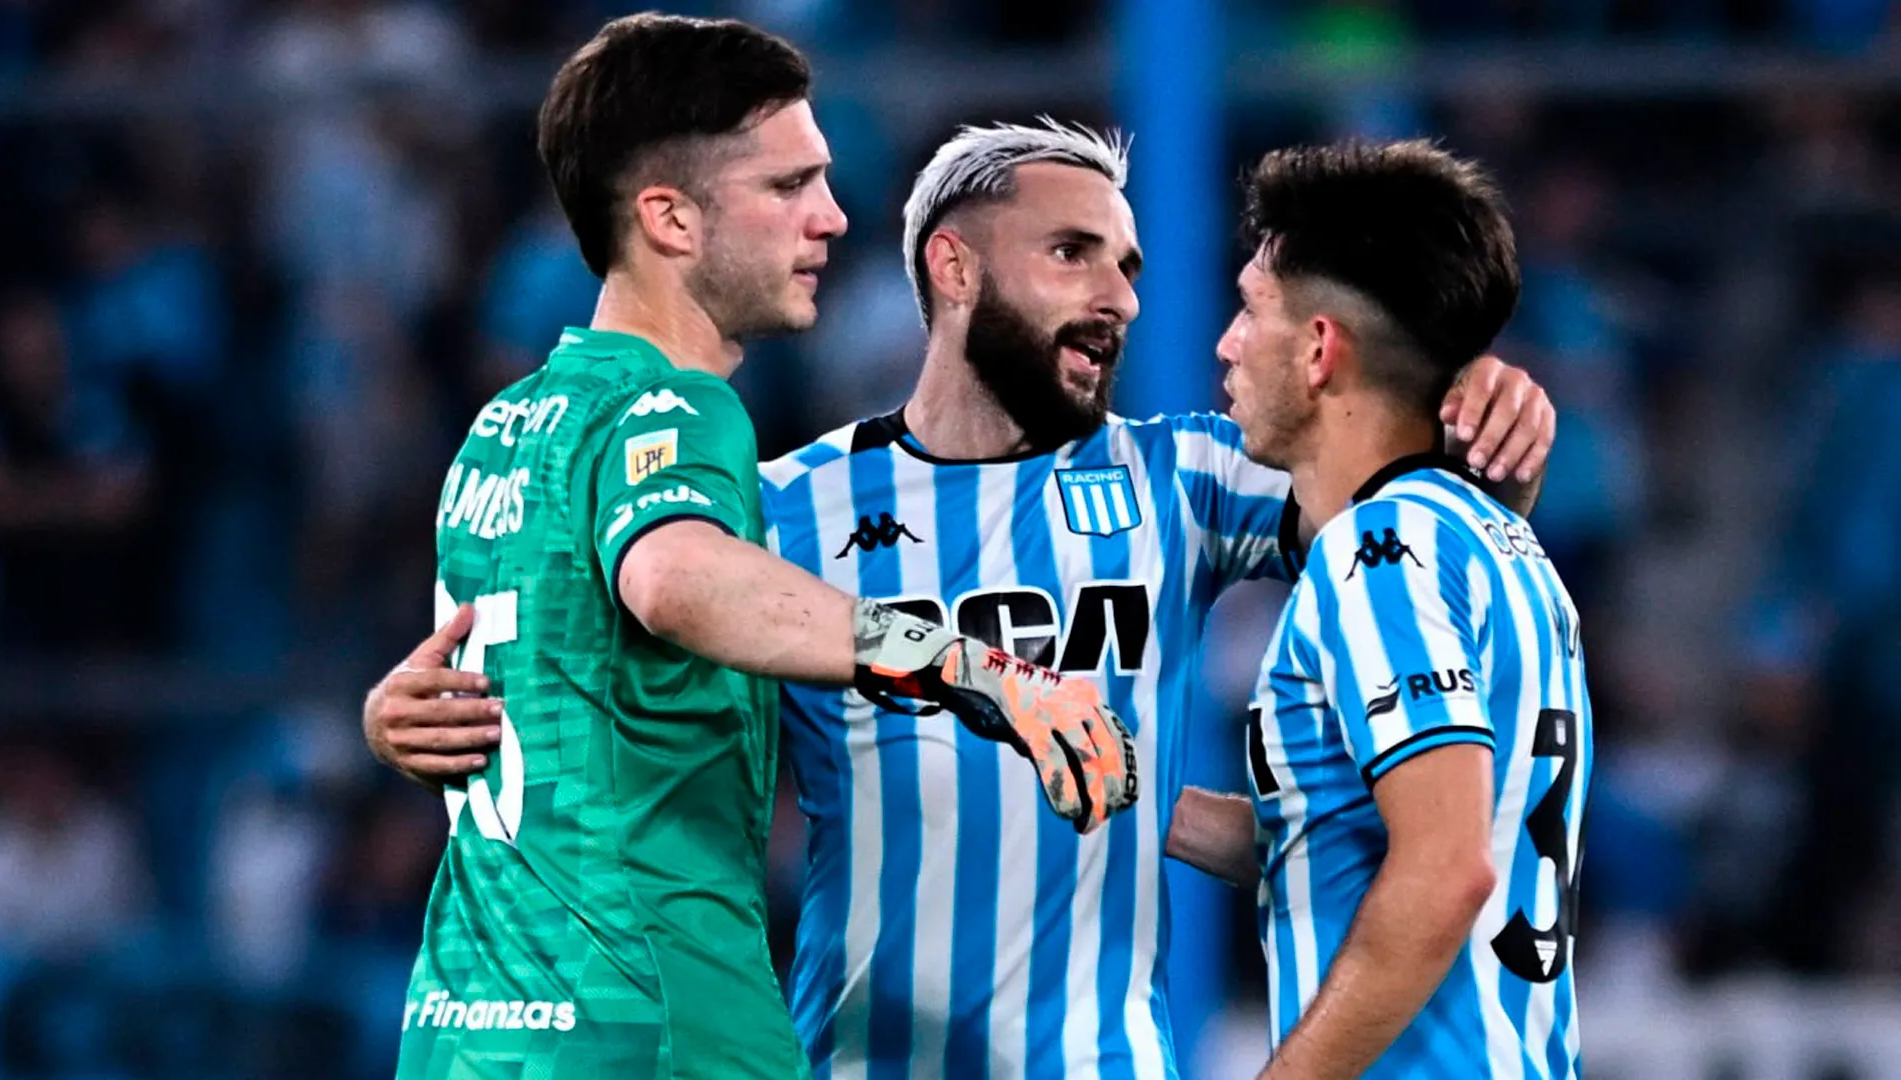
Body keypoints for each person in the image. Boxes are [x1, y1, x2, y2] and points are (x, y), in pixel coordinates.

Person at [369, 120, 1556, 1077]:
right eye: (1073, 253)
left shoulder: (1184, 478)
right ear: (954, 267)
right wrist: (403, 718)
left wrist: (1477, 387)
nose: (1121, 296)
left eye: (1130, 265)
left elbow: (1396, 490)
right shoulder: (784, 509)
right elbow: (592, 676)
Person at [383, 20, 1136, 1080]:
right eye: (789, 186)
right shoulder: (679, 409)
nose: (830, 217)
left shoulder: (506, 429)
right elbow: (675, 578)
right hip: (656, 1025)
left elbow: (513, 721)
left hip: (470, 1026)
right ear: (670, 217)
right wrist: (977, 669)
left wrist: (389, 726)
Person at [1166, 141, 1590, 1079]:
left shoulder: (1376, 551)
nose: (1226, 343)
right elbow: (1352, 837)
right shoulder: (1498, 541)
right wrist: (1136, 795)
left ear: (1320, 349)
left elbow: (1446, 871)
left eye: (1250, 309)